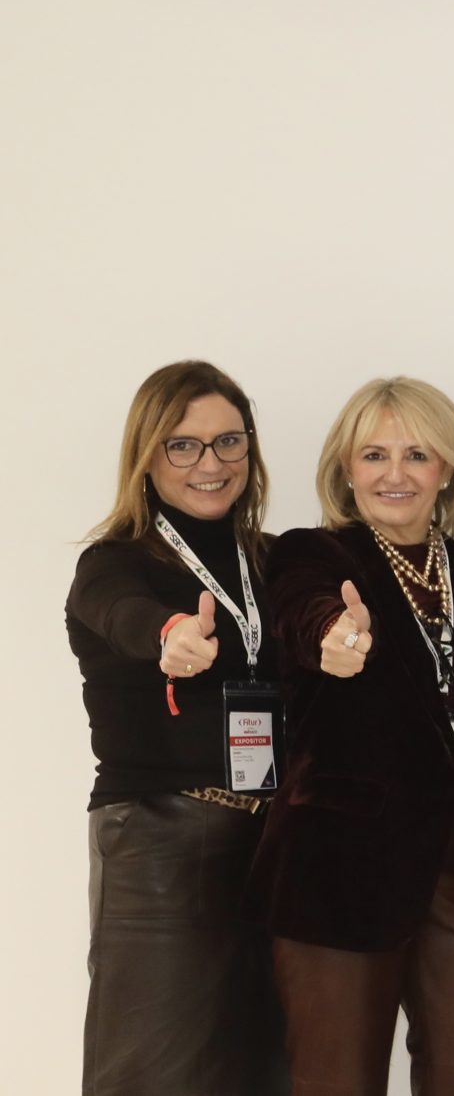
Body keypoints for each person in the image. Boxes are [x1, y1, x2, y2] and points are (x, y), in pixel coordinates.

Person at [250, 377, 454, 1095]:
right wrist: (333, 639)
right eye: (374, 455)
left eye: (416, 455)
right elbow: (306, 615)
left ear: (446, 470)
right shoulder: (310, 556)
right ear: (346, 469)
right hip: (339, 874)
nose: (395, 474)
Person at [69, 360, 288, 1095]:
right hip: (160, 844)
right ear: (147, 453)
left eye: (229, 441)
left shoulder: (272, 560)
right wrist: (169, 634)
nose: (211, 463)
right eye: (183, 445)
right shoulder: (113, 563)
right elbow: (121, 615)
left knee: (264, 1070)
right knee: (151, 1075)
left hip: (273, 845)